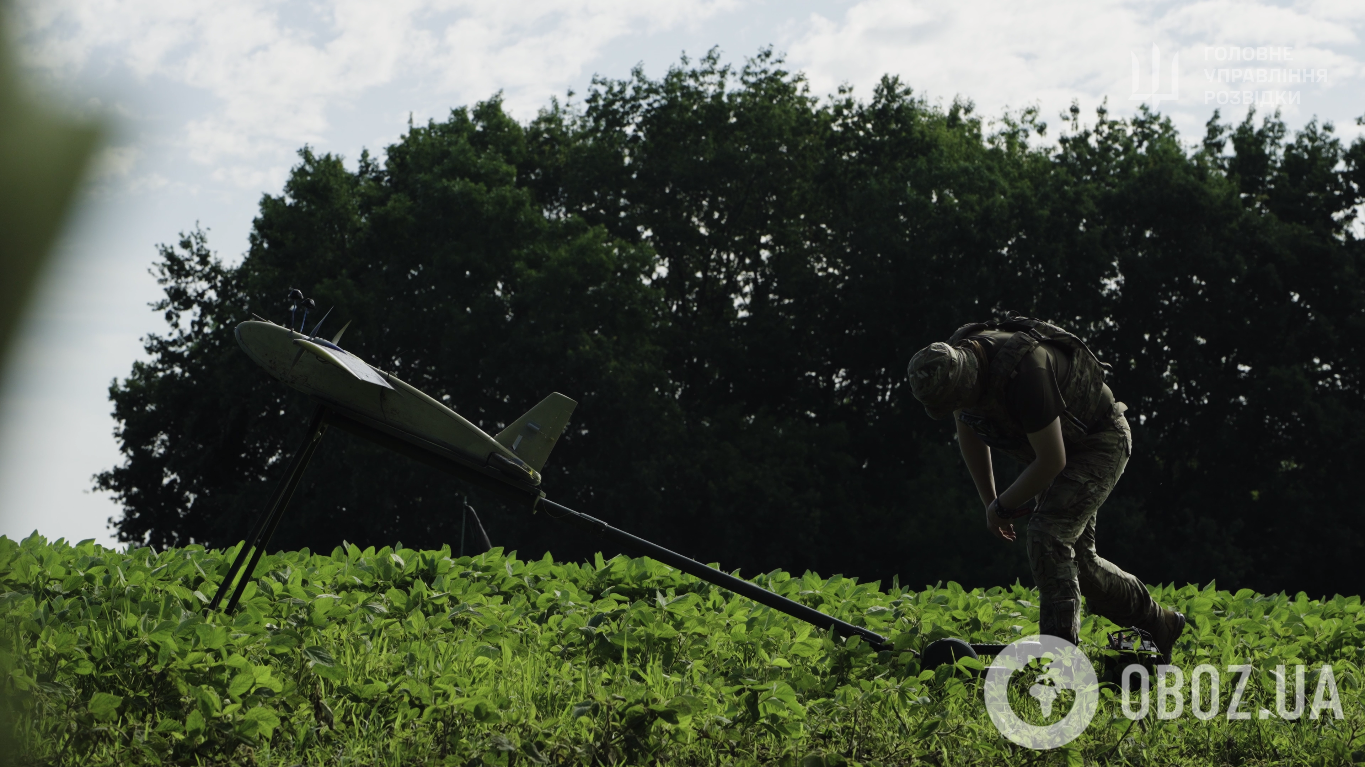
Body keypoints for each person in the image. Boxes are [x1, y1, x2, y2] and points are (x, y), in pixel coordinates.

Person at [907, 316, 1186, 663]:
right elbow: (969, 424)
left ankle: (1060, 660)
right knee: (1079, 563)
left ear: (968, 372)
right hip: (1058, 446)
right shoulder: (958, 368)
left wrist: (1003, 506)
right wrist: (989, 500)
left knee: (1048, 535)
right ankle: (1160, 623)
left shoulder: (1026, 371)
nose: (960, 406)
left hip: (1099, 440)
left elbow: (1052, 460)